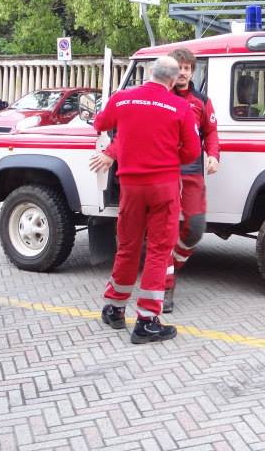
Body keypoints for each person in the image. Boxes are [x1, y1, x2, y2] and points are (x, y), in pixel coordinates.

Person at [89, 56, 200, 344]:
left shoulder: (122, 99)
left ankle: (114, 307)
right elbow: (191, 152)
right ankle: (147, 321)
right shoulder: (181, 107)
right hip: (163, 186)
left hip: (130, 187)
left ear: (150, 72)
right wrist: (167, 154)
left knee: (127, 246)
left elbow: (100, 123)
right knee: (159, 251)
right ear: (174, 80)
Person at [163, 47, 221, 313]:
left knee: (195, 228)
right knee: (166, 231)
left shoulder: (202, 101)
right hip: (164, 172)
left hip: (193, 172)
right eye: (179, 67)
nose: (183, 72)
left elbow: (210, 132)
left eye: (187, 68)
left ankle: (172, 262)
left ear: (192, 71)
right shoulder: (161, 97)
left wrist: (214, 156)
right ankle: (166, 287)